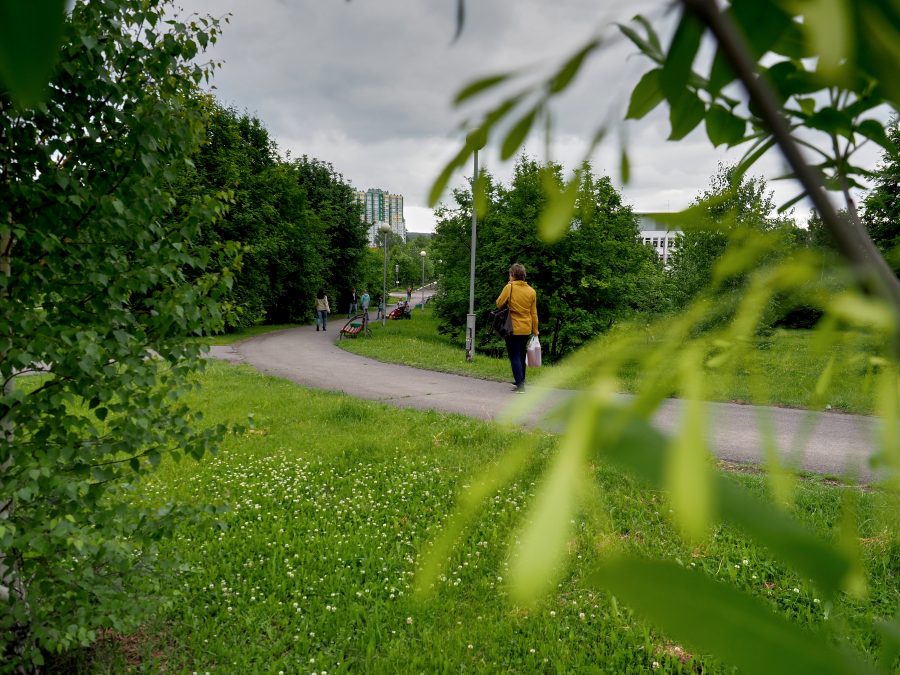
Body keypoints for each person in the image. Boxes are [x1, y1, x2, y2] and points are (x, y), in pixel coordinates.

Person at [495, 262, 538, 393]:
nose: (509, 277)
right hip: (526, 328)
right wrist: (535, 329)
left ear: (513, 275)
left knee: (514, 355)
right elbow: (534, 312)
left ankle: (520, 385)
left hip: (512, 327)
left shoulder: (510, 287)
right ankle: (521, 380)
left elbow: (498, 303)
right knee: (521, 354)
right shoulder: (531, 291)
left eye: (510, 274)